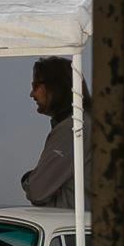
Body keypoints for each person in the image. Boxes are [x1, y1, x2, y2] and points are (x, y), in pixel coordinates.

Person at [22, 57, 83, 208]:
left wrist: (27, 179)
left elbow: (37, 190)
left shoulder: (72, 130)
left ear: (54, 87)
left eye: (36, 86)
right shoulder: (76, 126)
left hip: (71, 228)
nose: (32, 94)